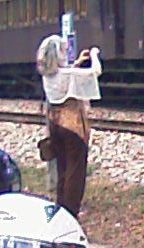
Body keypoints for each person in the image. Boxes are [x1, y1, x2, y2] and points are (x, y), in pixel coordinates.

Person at [36, 35, 102, 216]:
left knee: (63, 167)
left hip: (54, 124)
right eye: (64, 51)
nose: (66, 53)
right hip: (72, 126)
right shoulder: (67, 75)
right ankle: (71, 211)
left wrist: (78, 62)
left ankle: (61, 205)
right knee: (75, 169)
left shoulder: (48, 75)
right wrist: (94, 55)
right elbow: (96, 71)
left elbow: (66, 73)